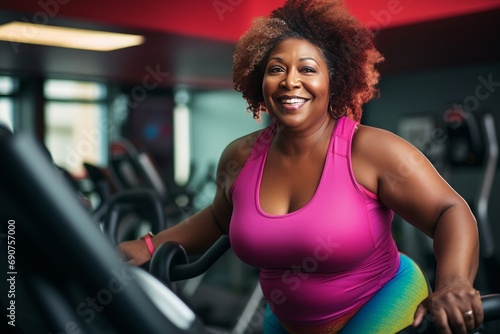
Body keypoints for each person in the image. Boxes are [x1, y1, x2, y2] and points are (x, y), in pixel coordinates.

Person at [117, 0, 483, 333]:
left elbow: (450, 211)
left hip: (380, 303)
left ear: (333, 80)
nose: (291, 81)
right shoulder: (240, 157)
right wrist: (150, 246)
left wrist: (453, 282)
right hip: (286, 320)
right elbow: (217, 219)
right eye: (277, 69)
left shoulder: (372, 150)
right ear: (260, 82)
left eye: (307, 69)